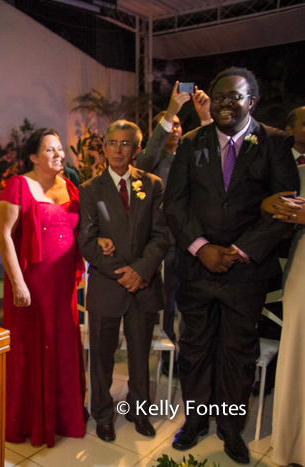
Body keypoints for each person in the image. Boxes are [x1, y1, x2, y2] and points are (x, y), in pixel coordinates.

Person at [164, 67, 299, 463]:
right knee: (195, 350)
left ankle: (230, 428)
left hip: (246, 272)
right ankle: (196, 422)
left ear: (251, 102)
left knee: (238, 355)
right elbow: (175, 204)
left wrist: (240, 251)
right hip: (197, 268)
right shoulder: (192, 142)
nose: (225, 102)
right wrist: (202, 247)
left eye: (234, 97)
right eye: (219, 96)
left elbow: (282, 207)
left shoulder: (275, 143)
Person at [78, 120, 170, 443]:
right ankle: (103, 414)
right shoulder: (90, 189)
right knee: (102, 357)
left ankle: (139, 410)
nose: (118, 149)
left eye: (126, 143)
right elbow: (87, 242)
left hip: (143, 285)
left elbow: (161, 235)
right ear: (104, 147)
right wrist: (123, 272)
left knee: (140, 355)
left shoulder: (154, 185)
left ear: (137, 148)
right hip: (107, 285)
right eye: (112, 143)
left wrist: (140, 272)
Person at [0, 128, 88, 448]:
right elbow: (3, 236)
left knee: (62, 344)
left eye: (60, 149)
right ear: (33, 157)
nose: (58, 155)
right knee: (32, 347)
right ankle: (29, 419)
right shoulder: (18, 186)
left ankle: (63, 417)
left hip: (63, 288)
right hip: (31, 285)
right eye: (50, 150)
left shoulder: (72, 188)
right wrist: (18, 282)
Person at [136, 81, 212, 376]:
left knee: (194, 302)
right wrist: (171, 110)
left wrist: (205, 118)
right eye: (171, 125)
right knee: (166, 304)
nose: (176, 129)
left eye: (180, 123)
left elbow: (214, 159)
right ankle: (168, 358)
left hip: (196, 241)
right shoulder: (152, 162)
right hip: (166, 244)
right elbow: (146, 156)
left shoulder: (193, 151)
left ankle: (193, 355)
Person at [261, 168, 305, 467]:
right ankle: (294, 445)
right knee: (298, 356)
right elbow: (264, 203)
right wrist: (270, 205)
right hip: (303, 265)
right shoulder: (298, 173)